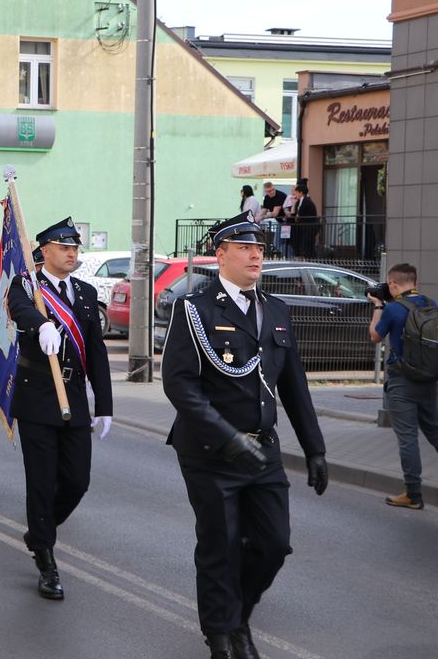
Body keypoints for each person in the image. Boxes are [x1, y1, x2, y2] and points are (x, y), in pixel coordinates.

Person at [162, 211, 327, 659]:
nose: (256, 255)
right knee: (221, 545)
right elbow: (179, 384)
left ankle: (237, 617)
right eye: (245, 248)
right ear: (220, 255)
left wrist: (315, 448)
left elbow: (294, 384)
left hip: (263, 449)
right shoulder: (194, 309)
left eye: (259, 248)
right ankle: (221, 636)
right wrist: (228, 437)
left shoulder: (274, 309)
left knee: (274, 543)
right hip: (212, 451)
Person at [7, 217, 113, 601]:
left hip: (75, 397)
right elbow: (19, 307)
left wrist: (105, 404)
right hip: (38, 397)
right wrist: (41, 325)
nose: (71, 254)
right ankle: (47, 560)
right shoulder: (28, 286)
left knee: (76, 481)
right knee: (41, 480)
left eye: (75, 248)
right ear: (45, 250)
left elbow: (97, 353)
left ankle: (39, 530)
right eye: (64, 248)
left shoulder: (84, 292)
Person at [369, 263, 438, 509]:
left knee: (407, 438)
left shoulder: (394, 309)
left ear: (394, 284)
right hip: (427, 379)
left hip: (401, 382)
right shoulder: (430, 304)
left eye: (389, 284)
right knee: (433, 429)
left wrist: (378, 305)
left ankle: (413, 494)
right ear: (415, 283)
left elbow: (375, 336)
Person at [290, 182, 318, 260]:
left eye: (296, 192)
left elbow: (299, 215)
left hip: (308, 227)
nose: (295, 194)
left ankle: (309, 260)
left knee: (307, 246)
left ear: (300, 193)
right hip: (302, 228)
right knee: (301, 245)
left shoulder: (306, 201)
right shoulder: (299, 202)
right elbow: (294, 214)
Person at [258, 182, 287, 255]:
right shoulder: (267, 198)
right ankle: (286, 256)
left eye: (273, 189)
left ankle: (288, 257)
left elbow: (275, 213)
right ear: (266, 191)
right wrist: (254, 220)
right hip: (280, 222)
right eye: (269, 191)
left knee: (281, 242)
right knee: (277, 243)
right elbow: (262, 212)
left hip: (286, 222)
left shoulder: (280, 195)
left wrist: (265, 216)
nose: (272, 192)